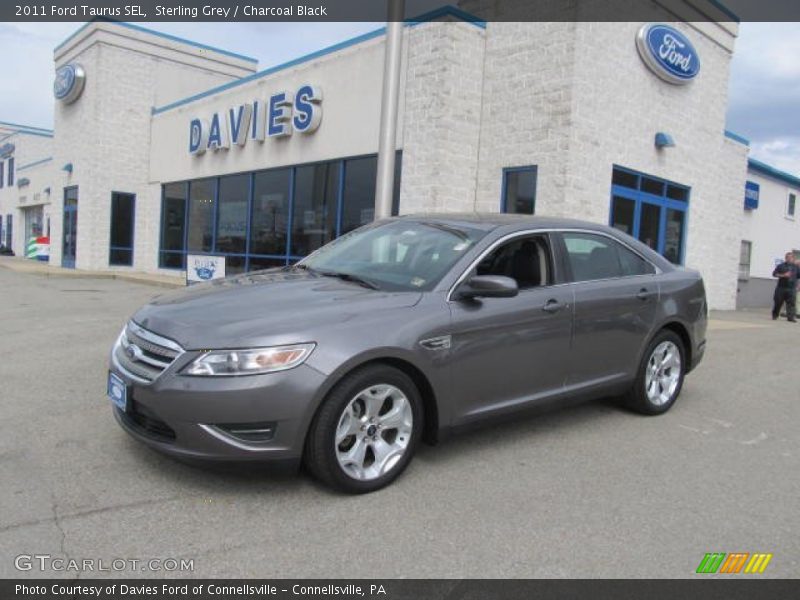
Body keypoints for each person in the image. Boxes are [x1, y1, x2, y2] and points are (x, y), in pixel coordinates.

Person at [772, 252, 798, 322]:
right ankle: (775, 315)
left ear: (793, 258)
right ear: (785, 258)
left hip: (791, 288)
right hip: (781, 288)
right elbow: (774, 274)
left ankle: (790, 318)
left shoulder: (796, 267)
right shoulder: (781, 266)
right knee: (778, 302)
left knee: (791, 303)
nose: (789, 259)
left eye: (790, 257)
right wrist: (783, 275)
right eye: (787, 257)